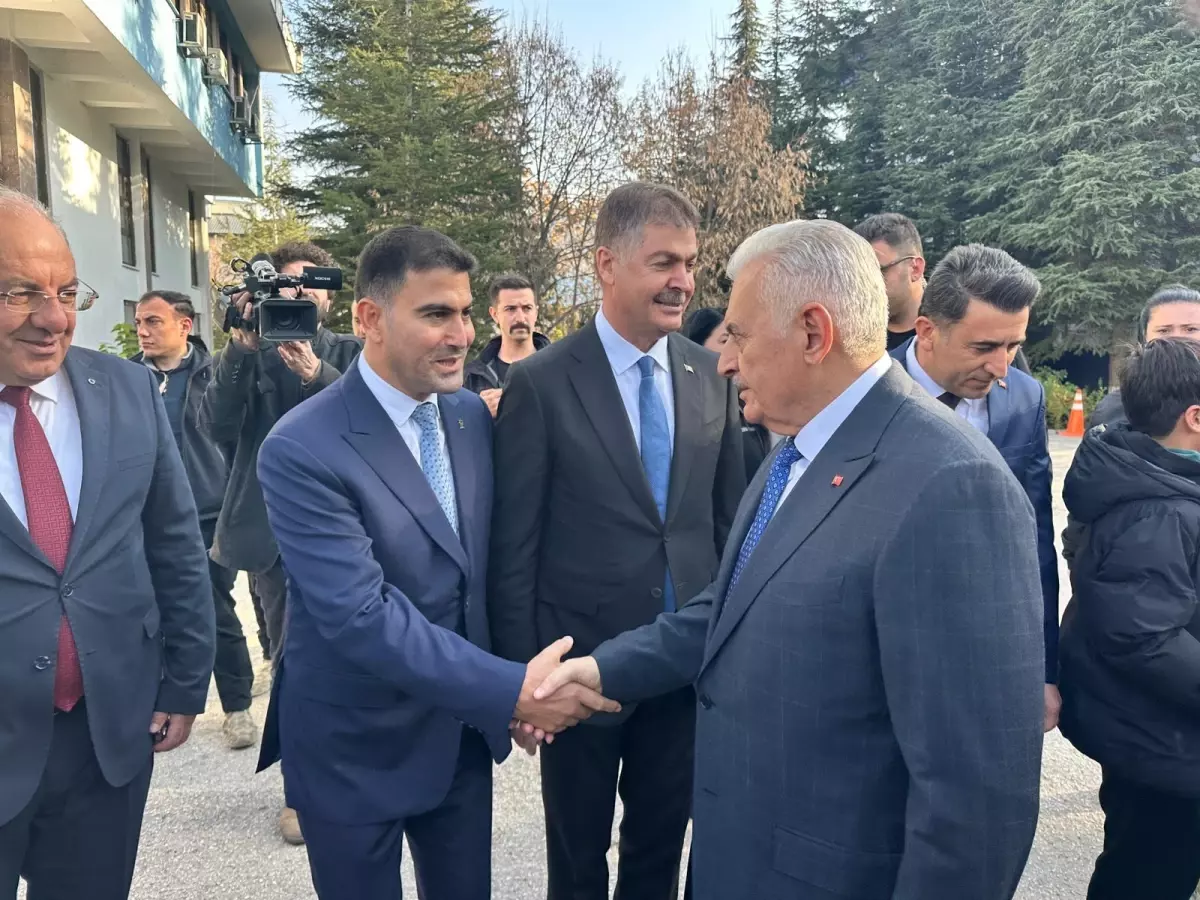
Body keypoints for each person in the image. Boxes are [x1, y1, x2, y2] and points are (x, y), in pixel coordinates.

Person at [535, 218, 1046, 900]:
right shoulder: (796, 450)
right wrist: (601, 668)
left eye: (739, 336)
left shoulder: (951, 483)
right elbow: (733, 608)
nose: (723, 361)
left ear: (812, 333)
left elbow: (975, 801)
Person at [254, 225, 618, 900]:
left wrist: (512, 688)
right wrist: (509, 688)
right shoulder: (301, 447)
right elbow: (360, 615)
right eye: (435, 314)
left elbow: (483, 574)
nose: (460, 335)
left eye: (466, 313)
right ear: (370, 318)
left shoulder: (469, 419)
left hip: (457, 738)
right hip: (353, 746)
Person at [490, 182, 746, 900]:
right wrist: (520, 685)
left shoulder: (711, 375)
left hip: (683, 668)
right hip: (579, 674)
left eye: (690, 263)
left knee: (658, 854)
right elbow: (515, 548)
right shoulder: (542, 382)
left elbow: (726, 527)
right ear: (606, 264)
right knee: (576, 860)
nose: (683, 281)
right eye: (664, 262)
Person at [0, 189, 215, 898]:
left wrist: (185, 680)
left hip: (106, 737)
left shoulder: (126, 390)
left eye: (67, 293)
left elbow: (174, 542)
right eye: (20, 293)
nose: (54, 319)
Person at [199, 240, 360, 844]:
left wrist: (317, 374)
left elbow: (366, 423)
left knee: (353, 654)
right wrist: (241, 350)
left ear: (329, 294)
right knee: (292, 659)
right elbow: (214, 427)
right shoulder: (250, 354)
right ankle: (301, 788)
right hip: (272, 535)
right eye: (288, 286)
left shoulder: (351, 352)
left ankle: (348, 769)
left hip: (347, 528)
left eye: (311, 284)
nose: (301, 296)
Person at [891, 244, 1061, 731]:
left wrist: (1044, 667)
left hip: (992, 649)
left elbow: (1034, 538)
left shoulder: (1024, 398)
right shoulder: (863, 388)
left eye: (1013, 346)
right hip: (889, 647)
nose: (1002, 367)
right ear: (927, 331)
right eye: (984, 348)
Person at [1058, 337, 1200, 900]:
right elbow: (1145, 637)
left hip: (1163, 730)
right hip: (1160, 743)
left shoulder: (1164, 478)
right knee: (1148, 871)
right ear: (1195, 418)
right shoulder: (1157, 510)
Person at [132, 290, 257, 751]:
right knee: (147, 613)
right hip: (143, 516)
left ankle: (237, 707)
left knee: (213, 608)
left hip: (207, 513)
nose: (142, 331)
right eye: (139, 322)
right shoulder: (127, 378)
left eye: (153, 321)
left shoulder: (216, 373)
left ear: (184, 325)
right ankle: (156, 702)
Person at [854, 213, 1033, 373]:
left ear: (915, 268)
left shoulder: (974, 319)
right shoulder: (854, 339)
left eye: (877, 271)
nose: (864, 284)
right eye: (857, 275)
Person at [1087, 285, 1200, 430]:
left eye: (1191, 329)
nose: (1177, 338)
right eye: (1164, 330)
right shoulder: (1114, 410)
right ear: (1144, 337)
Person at [683, 306, 771, 482]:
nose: (735, 352)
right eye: (724, 341)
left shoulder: (753, 406)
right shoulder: (688, 412)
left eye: (738, 341)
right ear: (696, 346)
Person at [463, 273, 550, 417]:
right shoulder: (472, 376)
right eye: (510, 309)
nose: (520, 318)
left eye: (527, 308)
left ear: (536, 312)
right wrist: (478, 412)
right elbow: (457, 426)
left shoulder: (559, 368)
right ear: (494, 314)